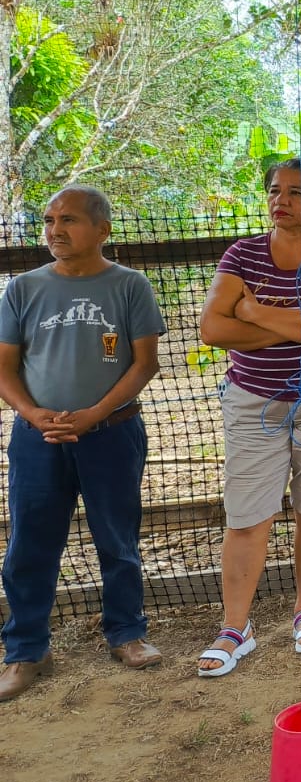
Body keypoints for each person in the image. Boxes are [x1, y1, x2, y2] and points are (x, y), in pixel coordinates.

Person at [195, 158, 301, 676]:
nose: (281, 200)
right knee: (248, 514)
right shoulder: (242, 253)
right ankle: (235, 628)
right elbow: (212, 329)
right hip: (254, 399)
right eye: (275, 191)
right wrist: (299, 325)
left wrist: (251, 312)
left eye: (295, 192)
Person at [0, 186, 165, 702]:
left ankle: (127, 633)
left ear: (102, 229)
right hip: (38, 439)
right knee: (29, 543)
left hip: (112, 434)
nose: (55, 230)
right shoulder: (22, 288)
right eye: (49, 220)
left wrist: (96, 413)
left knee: (117, 539)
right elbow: (4, 368)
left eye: (68, 219)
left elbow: (145, 363)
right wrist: (34, 415)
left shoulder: (130, 286)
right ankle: (26, 650)